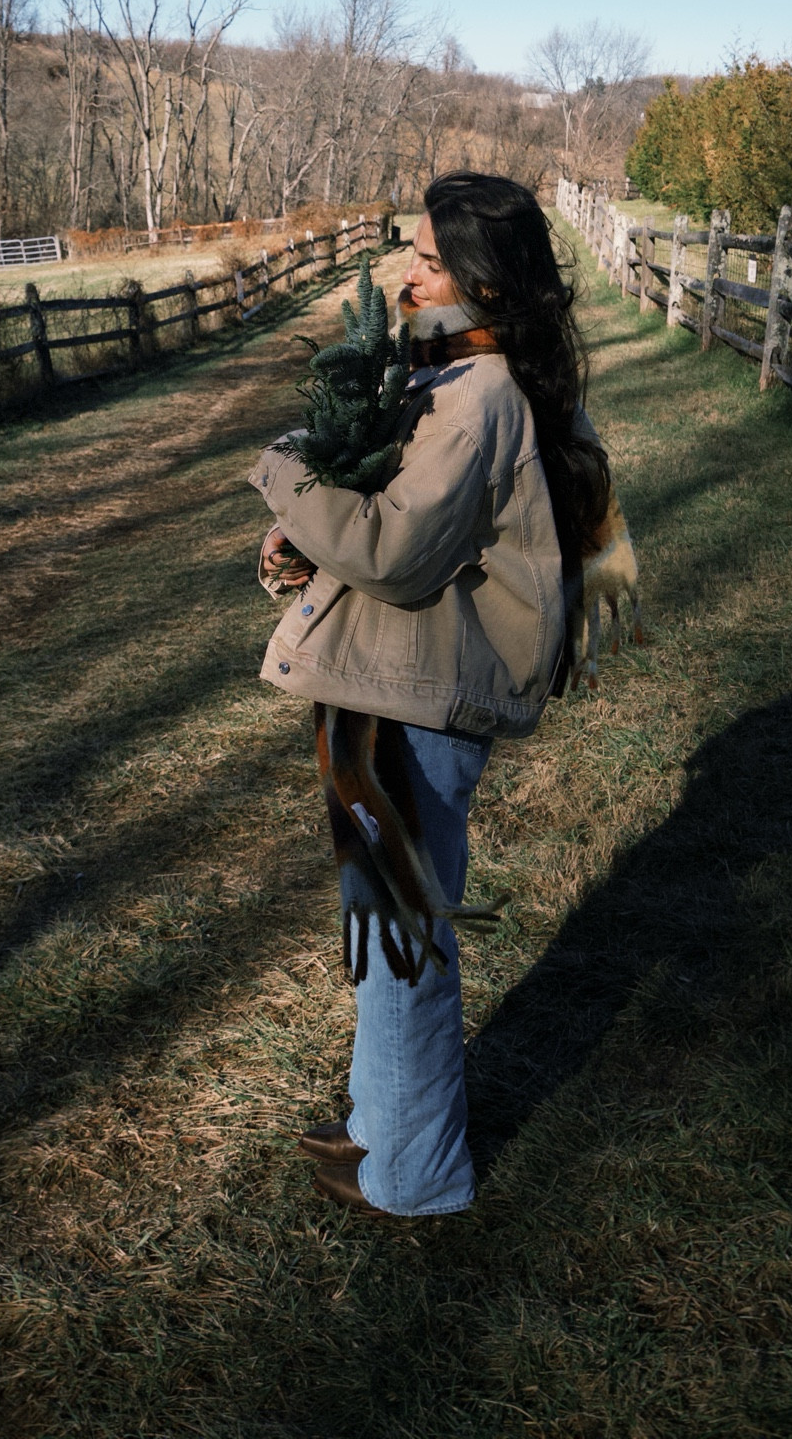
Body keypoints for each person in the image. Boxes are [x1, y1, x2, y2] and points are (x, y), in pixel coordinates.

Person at [249, 171, 611, 1217]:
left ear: (485, 282)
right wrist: (301, 547)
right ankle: (380, 1124)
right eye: (410, 251)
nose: (406, 273)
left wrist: (283, 472)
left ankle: (413, 1176)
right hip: (394, 681)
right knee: (389, 926)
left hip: (418, 700)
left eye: (429, 258)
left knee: (405, 938)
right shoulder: (451, 373)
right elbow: (389, 515)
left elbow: (398, 553)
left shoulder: (482, 394)